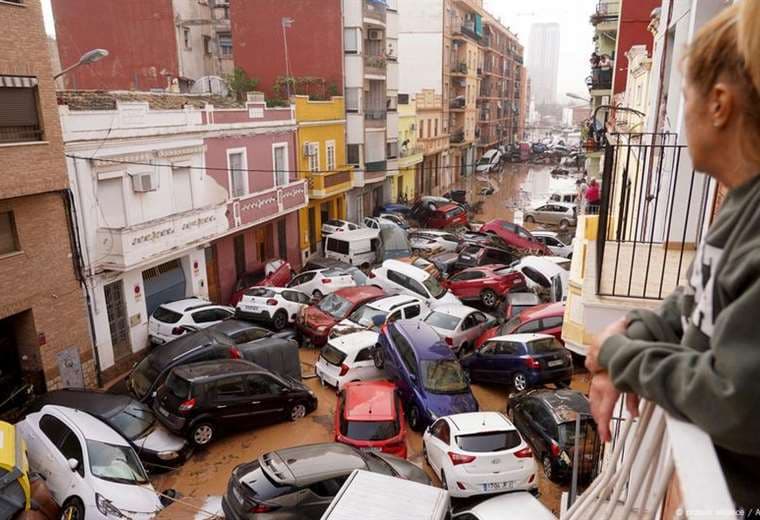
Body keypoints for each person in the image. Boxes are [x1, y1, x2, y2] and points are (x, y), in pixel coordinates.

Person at [585, 0, 760, 512]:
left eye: (684, 96)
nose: (678, 113)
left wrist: (618, 357)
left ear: (719, 105)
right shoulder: (741, 201)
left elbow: (737, 399)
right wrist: (638, 330)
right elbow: (697, 297)